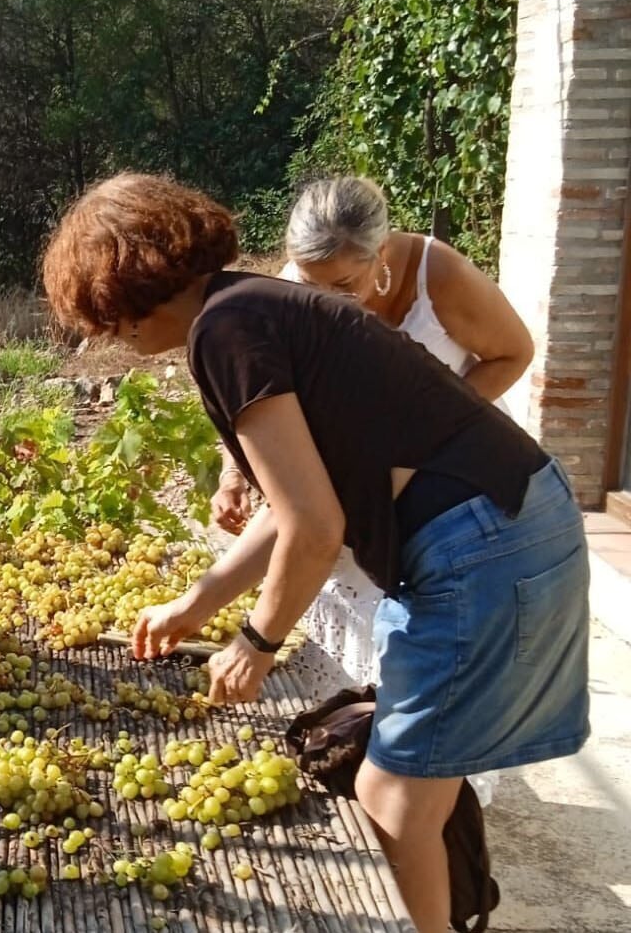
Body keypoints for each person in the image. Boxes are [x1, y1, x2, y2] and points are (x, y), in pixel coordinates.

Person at [41, 172, 589, 933]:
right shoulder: (255, 307)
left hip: (485, 546)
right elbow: (304, 499)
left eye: (105, 319)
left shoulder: (224, 333)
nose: (112, 338)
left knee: (395, 801)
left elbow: (313, 526)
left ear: (129, 290)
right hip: (515, 523)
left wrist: (256, 643)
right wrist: (196, 604)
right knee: (410, 789)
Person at [211, 176, 534, 709]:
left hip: (448, 458)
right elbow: (259, 391)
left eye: (341, 284)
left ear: (380, 252)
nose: (323, 299)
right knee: (346, 586)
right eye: (311, 285)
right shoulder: (299, 279)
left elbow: (514, 352)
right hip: (361, 465)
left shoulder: (443, 277)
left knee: (428, 605)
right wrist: (234, 473)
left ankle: (427, 748)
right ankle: (358, 724)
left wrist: (430, 423)